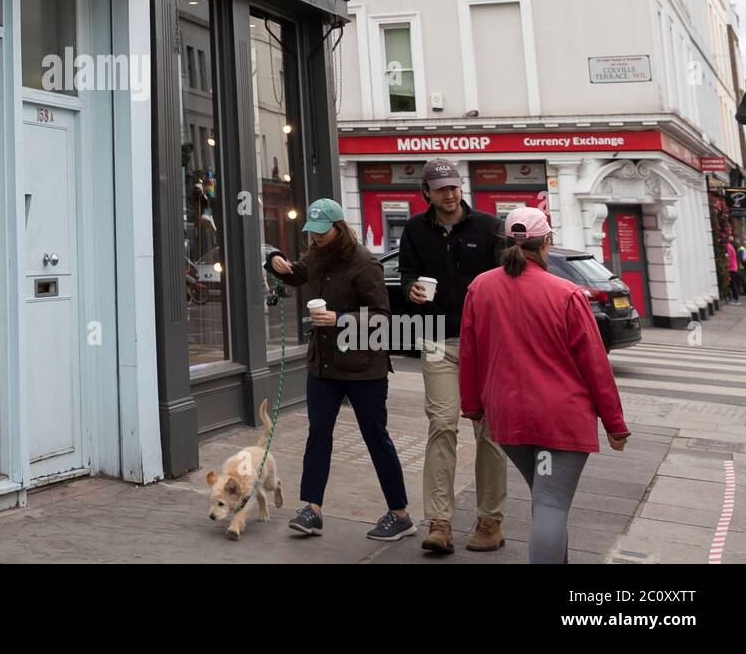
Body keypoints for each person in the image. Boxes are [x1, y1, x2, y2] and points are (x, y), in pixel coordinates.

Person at [459, 206, 630, 563]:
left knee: (546, 497)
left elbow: (469, 353)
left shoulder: (480, 287)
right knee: (551, 504)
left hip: (507, 418)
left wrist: (473, 406)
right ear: (547, 242)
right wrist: (615, 424)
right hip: (557, 421)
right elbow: (595, 366)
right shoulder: (566, 293)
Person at [267, 198, 416, 543]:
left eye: (322, 232)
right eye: (313, 233)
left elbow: (383, 319)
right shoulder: (316, 255)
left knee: (376, 438)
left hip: (365, 368)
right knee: (318, 434)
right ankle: (312, 510)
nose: (316, 238)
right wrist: (275, 261)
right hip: (324, 364)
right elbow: (297, 273)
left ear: (339, 227)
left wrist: (340, 320)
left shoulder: (364, 263)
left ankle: (401, 515)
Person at [397, 157, 506, 554]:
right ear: (426, 192)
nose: (450, 193)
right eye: (441, 188)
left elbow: (508, 277)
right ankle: (439, 523)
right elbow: (407, 273)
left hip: (484, 344)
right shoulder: (413, 229)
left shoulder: (489, 227)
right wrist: (411, 289)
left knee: (489, 432)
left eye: (454, 186)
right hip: (437, 340)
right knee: (442, 425)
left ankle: (490, 521)